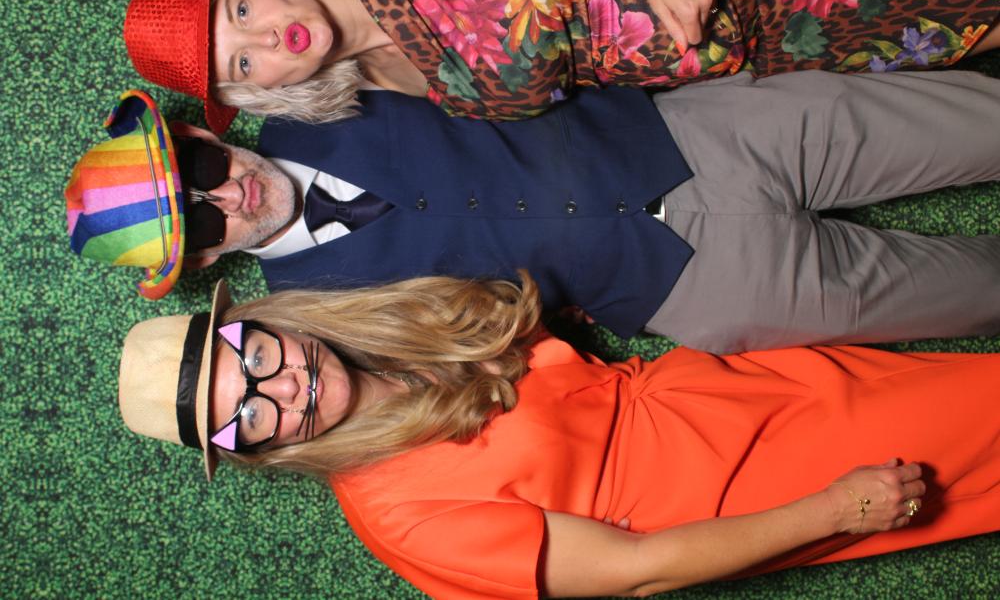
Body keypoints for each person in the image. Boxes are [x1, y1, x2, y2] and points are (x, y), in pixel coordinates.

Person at [118, 274, 1000, 599]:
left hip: (743, 389)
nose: (285, 386)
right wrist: (831, 509)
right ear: (263, 451)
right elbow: (638, 568)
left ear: (268, 322)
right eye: (252, 412)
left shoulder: (391, 326)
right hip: (757, 487)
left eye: (254, 357)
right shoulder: (400, 518)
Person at [71, 69, 1000, 352]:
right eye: (201, 220)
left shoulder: (319, 81)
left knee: (979, 121)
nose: (227, 190)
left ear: (199, 130)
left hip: (703, 133)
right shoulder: (318, 319)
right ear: (204, 261)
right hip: (701, 289)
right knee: (978, 295)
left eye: (198, 165)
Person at [122, 0, 1000, 130]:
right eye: (243, 65)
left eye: (241, 14)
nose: (266, 40)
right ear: (266, 92)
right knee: (976, 24)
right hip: (777, 47)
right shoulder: (399, 88)